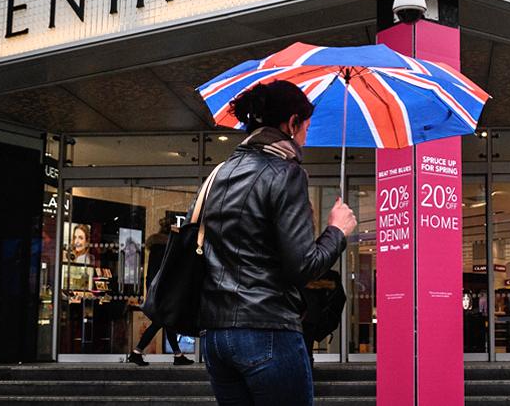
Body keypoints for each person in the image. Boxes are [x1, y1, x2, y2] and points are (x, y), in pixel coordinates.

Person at [198, 81, 357, 406]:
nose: (305, 139)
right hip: (267, 329)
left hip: (216, 335)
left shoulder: (220, 173)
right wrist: (337, 232)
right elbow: (303, 266)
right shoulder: (285, 173)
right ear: (292, 123)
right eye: (306, 129)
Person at [128, 217, 193, 366]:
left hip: (156, 289)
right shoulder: (166, 249)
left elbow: (151, 274)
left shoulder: (156, 248)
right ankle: (136, 352)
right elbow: (167, 272)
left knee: (166, 321)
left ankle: (178, 355)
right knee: (160, 321)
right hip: (164, 290)